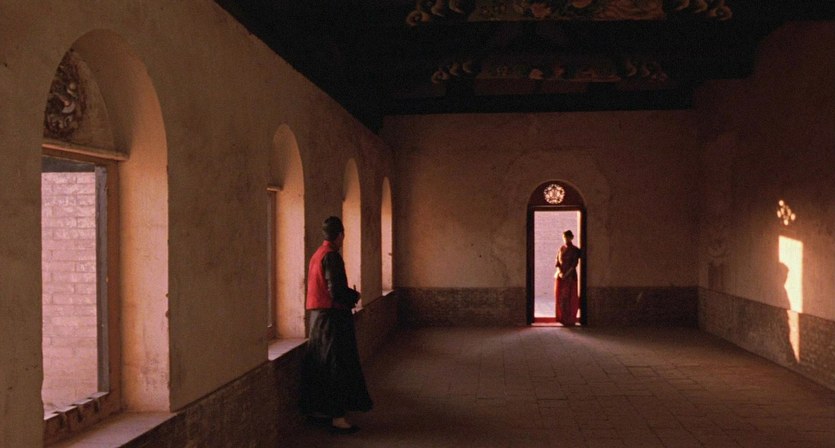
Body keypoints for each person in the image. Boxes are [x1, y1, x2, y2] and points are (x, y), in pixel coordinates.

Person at [300, 216, 373, 434]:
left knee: (320, 366)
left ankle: (319, 411)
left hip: (318, 319)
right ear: (340, 235)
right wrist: (354, 296)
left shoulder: (317, 255)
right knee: (337, 366)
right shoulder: (331, 257)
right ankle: (338, 418)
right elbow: (336, 291)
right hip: (332, 319)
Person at [554, 229, 582, 326]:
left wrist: (566, 274)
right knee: (561, 297)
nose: (565, 239)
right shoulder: (561, 248)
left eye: (567, 237)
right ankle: (562, 318)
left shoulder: (575, 250)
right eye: (564, 237)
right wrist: (560, 272)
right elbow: (557, 262)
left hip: (570, 277)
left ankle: (570, 319)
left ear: (571, 238)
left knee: (570, 297)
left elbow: (574, 264)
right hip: (561, 276)